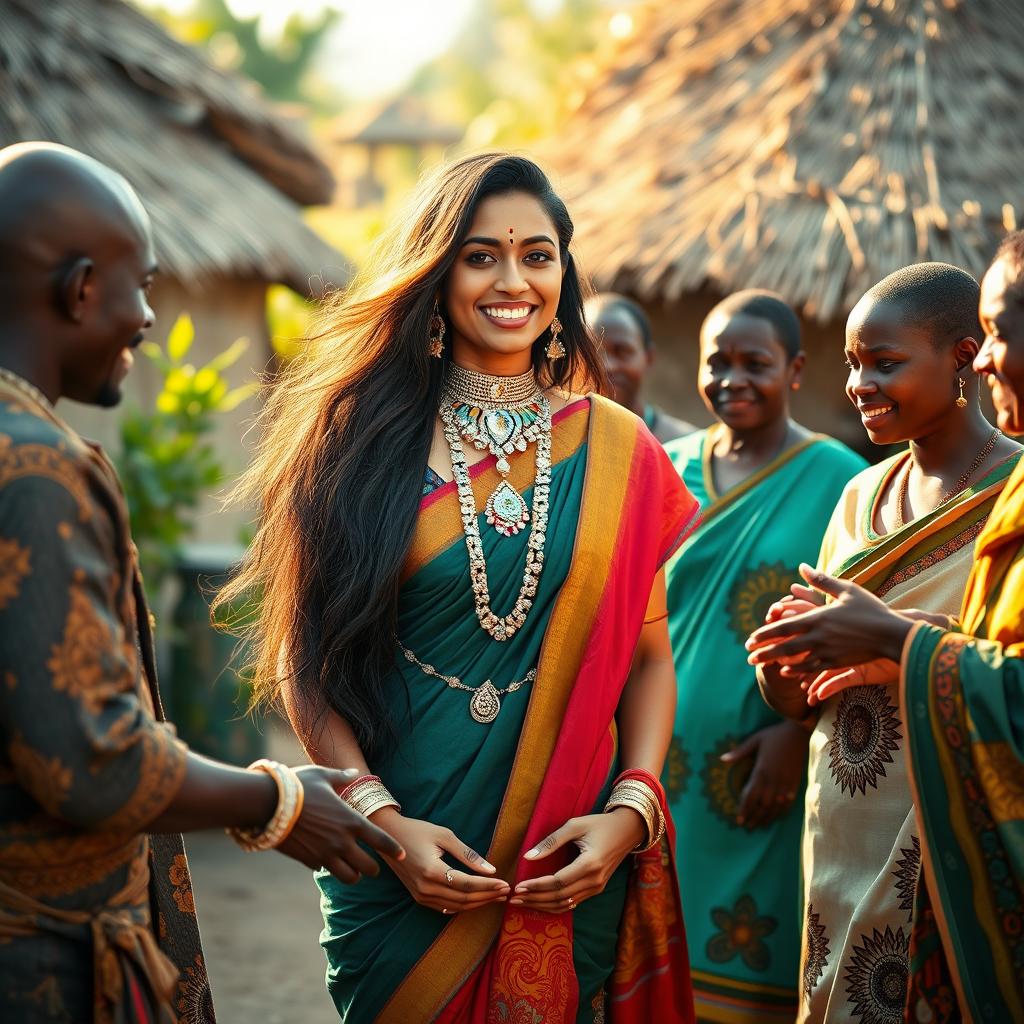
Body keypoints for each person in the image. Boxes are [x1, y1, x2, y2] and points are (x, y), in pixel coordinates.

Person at [216, 154, 699, 1023]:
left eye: (537, 254)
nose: (512, 281)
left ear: (565, 270)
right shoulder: (357, 444)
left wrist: (632, 811)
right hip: (397, 859)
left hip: (563, 860)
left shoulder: (619, 451)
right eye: (481, 256)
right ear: (437, 272)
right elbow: (304, 658)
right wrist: (385, 825)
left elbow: (650, 657)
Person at [0, 142, 404, 1024]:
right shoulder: (31, 470)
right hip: (36, 965)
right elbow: (89, 760)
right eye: (137, 286)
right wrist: (279, 798)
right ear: (77, 290)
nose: (147, 317)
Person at [747, 260, 1022, 1023]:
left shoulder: (1014, 494)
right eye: (853, 363)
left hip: (939, 819)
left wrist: (898, 639)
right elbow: (807, 689)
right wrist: (782, 672)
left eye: (887, 363)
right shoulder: (860, 495)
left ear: (965, 359)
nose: (860, 384)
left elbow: (1004, 665)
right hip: (838, 820)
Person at [661, 289, 865, 1022]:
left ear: (797, 369)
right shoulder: (663, 469)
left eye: (756, 363)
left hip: (765, 773)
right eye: (718, 362)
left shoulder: (841, 480)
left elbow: (854, 628)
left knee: (749, 971)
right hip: (658, 765)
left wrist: (795, 731)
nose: (732, 378)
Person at [586, 292, 695, 443]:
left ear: (648, 358)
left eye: (621, 351)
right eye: (592, 353)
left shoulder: (684, 446)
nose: (607, 366)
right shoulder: (553, 441)